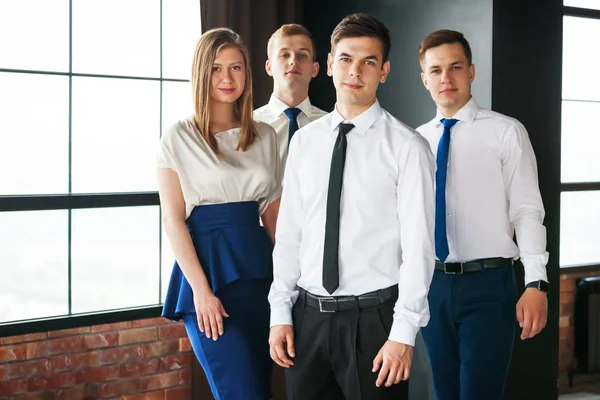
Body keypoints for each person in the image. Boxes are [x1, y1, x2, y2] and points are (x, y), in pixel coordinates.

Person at [268, 13, 436, 400]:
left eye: (369, 61)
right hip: (307, 321)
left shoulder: (408, 147)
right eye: (345, 59)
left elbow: (419, 249)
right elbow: (290, 236)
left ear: (385, 71)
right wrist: (281, 313)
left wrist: (403, 334)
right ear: (328, 65)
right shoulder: (304, 143)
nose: (355, 71)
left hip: (375, 325)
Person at [416, 29, 549, 400]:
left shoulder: (506, 132)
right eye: (437, 70)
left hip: (489, 285)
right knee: (442, 392)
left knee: (480, 394)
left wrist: (536, 282)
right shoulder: (415, 141)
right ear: (424, 78)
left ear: (471, 72)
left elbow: (526, 210)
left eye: (455, 67)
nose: (446, 78)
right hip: (433, 286)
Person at [157, 28, 281, 400]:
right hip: (206, 276)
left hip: (261, 274)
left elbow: (272, 213)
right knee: (240, 391)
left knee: (261, 387)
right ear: (201, 73)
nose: (227, 78)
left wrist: (292, 282)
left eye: (236, 67)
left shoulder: (265, 135)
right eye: (216, 68)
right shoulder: (178, 136)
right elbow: (173, 220)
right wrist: (201, 292)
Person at [254, 23, 327, 167]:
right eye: (284, 55)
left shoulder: (331, 127)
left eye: (302, 55)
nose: (294, 61)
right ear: (269, 67)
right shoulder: (248, 127)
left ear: (315, 69)